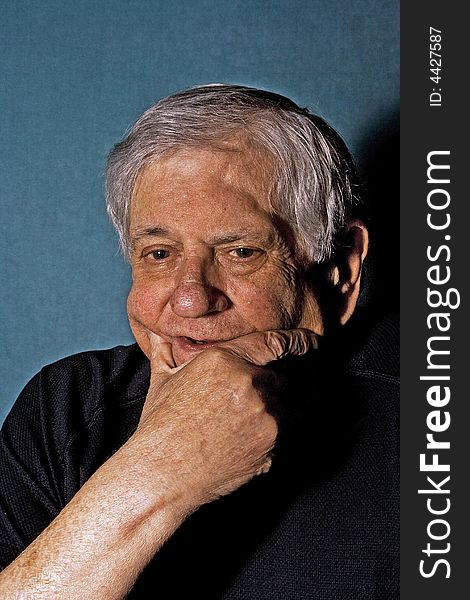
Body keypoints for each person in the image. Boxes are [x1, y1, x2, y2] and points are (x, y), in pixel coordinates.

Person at [0, 84, 399, 599]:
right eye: (160, 254)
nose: (190, 300)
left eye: (241, 251)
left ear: (341, 271)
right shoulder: (67, 408)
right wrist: (156, 471)